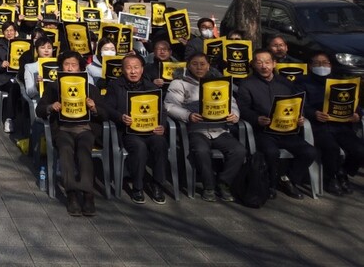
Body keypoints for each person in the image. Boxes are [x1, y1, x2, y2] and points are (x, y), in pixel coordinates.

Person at [236, 49, 318, 199]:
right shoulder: (247, 84)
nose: (264, 66)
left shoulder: (285, 83)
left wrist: (301, 117)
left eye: (267, 62)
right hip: (263, 131)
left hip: (287, 130)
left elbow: (297, 104)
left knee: (310, 152)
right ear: (253, 64)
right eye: (259, 62)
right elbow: (244, 109)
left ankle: (288, 180)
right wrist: (257, 118)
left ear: (274, 64)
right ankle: (271, 185)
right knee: (271, 152)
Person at [164, 52, 244, 201]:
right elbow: (169, 105)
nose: (199, 67)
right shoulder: (179, 83)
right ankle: (209, 187)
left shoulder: (219, 83)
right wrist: (187, 115)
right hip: (196, 129)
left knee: (239, 150)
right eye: (195, 64)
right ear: (188, 65)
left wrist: (234, 114)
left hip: (219, 129)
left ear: (208, 66)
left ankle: (223, 183)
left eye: (202, 64)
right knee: (201, 151)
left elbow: (231, 102)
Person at [36, 50, 102, 216]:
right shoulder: (53, 87)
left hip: (85, 129)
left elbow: (105, 113)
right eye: (67, 64)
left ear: (80, 68)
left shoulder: (91, 88)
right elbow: (40, 109)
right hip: (63, 129)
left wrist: (94, 108)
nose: (71, 68)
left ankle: (88, 195)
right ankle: (72, 194)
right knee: (65, 150)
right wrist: (51, 107)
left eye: (74, 65)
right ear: (61, 67)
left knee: (84, 152)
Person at [102, 52, 169, 205]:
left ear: (142, 69)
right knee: (139, 147)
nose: (133, 71)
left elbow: (162, 111)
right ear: (123, 70)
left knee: (160, 143)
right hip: (129, 130)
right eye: (129, 68)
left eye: (136, 67)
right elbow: (107, 107)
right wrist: (120, 117)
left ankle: (157, 184)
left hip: (151, 129)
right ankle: (138, 186)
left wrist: (162, 126)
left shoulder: (150, 86)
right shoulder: (115, 85)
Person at [301, 51, 364, 195]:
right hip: (319, 126)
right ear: (310, 66)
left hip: (341, 125)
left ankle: (343, 172)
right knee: (332, 148)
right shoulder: (302, 82)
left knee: (359, 150)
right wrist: (314, 113)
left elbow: (355, 103)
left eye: (325, 63)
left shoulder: (340, 82)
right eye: (317, 63)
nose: (321, 66)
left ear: (330, 65)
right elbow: (301, 104)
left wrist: (357, 115)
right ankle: (331, 178)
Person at [0, 21, 23, 133]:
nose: (9, 33)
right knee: (13, 87)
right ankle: (9, 118)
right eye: (6, 31)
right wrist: (1, 64)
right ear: (3, 33)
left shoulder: (23, 44)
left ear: (16, 32)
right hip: (4, 76)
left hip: (20, 76)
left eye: (11, 30)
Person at [22, 36, 56, 101]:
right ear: (37, 50)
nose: (46, 50)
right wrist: (37, 85)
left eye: (49, 48)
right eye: (42, 48)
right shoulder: (30, 67)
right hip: (39, 101)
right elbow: (30, 93)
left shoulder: (59, 66)